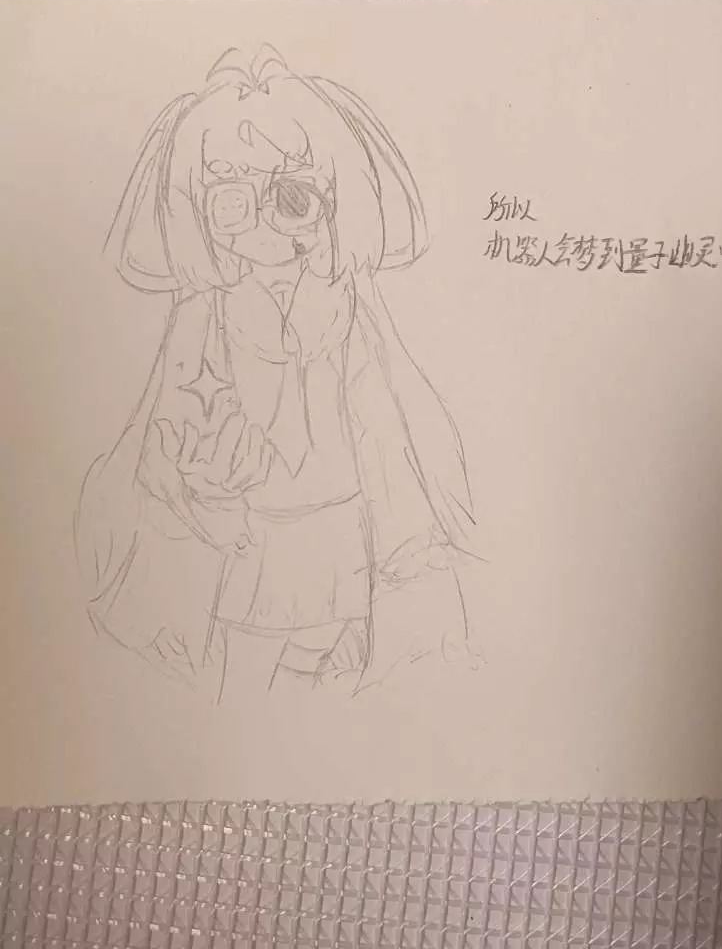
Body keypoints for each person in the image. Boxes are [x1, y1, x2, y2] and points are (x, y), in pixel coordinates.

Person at [76, 45, 479, 700]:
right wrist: (207, 493)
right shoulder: (205, 308)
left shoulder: (346, 298)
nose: (265, 224)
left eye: (293, 198)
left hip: (341, 510)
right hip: (253, 522)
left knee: (332, 658)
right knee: (247, 665)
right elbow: (175, 415)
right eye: (231, 202)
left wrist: (401, 518)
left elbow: (383, 407)